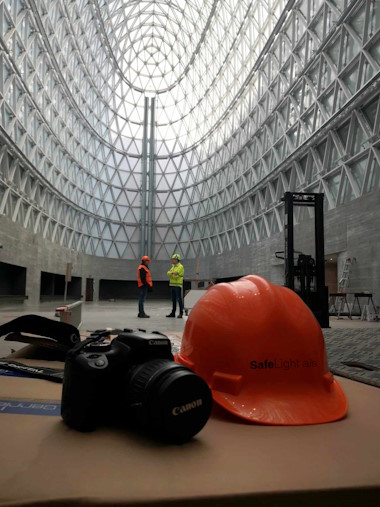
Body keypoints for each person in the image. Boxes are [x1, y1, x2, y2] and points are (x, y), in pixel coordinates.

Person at [166, 253, 184, 318]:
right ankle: (173, 313)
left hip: (177, 285)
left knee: (179, 299)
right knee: (173, 299)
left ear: (177, 260)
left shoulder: (180, 267)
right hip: (172, 284)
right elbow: (168, 273)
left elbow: (176, 275)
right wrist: (173, 273)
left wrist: (172, 273)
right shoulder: (173, 266)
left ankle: (181, 313)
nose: (172, 260)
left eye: (173, 259)